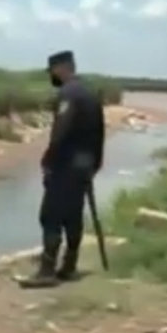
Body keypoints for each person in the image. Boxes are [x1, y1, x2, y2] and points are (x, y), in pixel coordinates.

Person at [21, 51, 105, 288]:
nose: (52, 77)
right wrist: (95, 164)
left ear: (62, 68)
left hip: (65, 165)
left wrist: (48, 160)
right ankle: (69, 266)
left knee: (50, 216)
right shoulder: (90, 92)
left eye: (52, 71)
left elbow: (61, 130)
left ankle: (47, 271)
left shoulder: (68, 93)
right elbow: (100, 133)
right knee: (73, 216)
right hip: (84, 165)